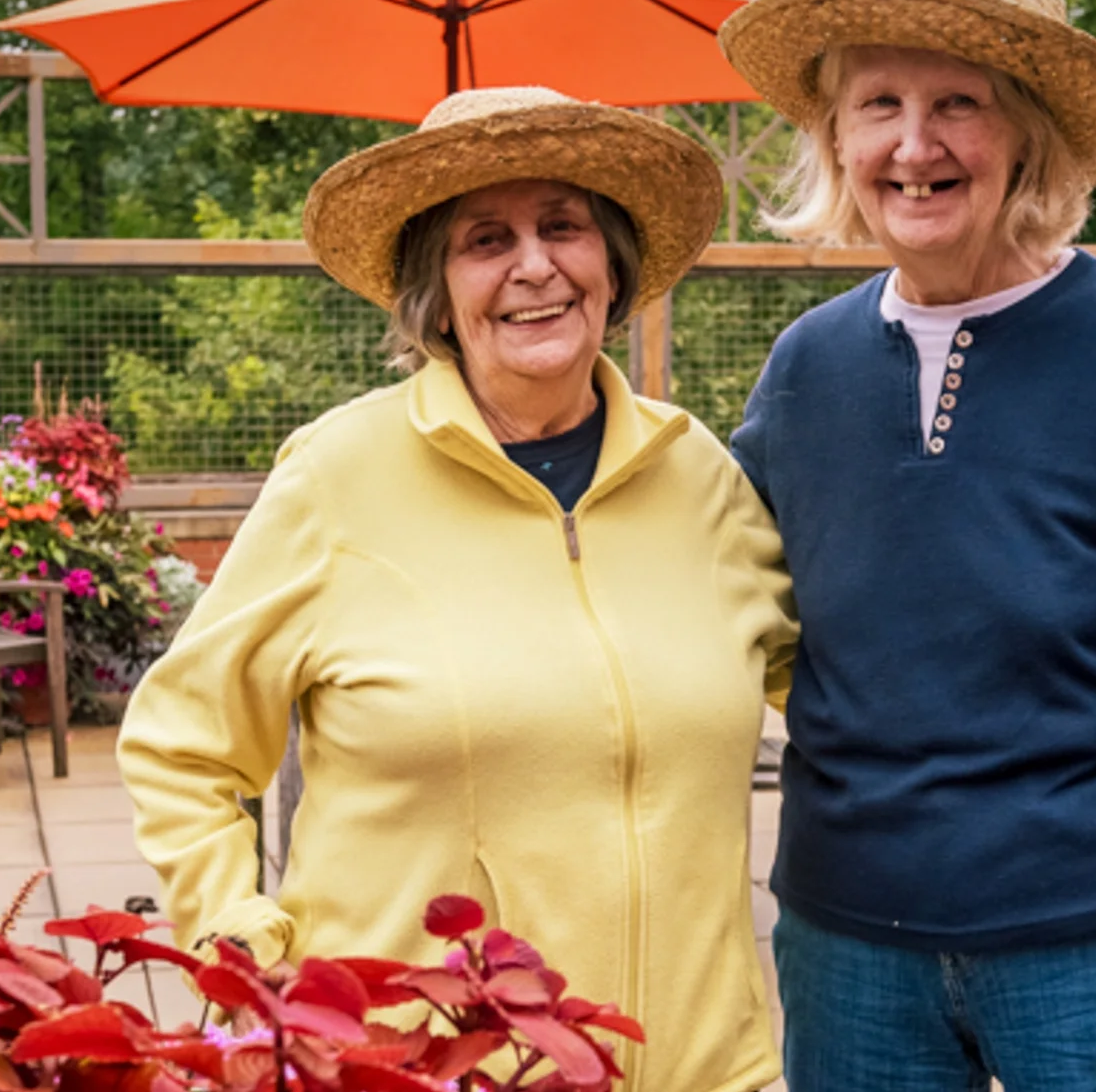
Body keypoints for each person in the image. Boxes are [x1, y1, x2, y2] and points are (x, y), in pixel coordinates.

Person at [118, 87, 796, 1092]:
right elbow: (182, 747)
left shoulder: (700, 477)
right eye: (487, 238)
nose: (534, 264)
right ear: (436, 290)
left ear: (611, 263)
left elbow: (839, 687)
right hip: (428, 1068)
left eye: (563, 226)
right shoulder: (335, 478)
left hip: (705, 1070)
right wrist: (246, 948)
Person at [717, 0, 1096, 1092]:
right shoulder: (806, 366)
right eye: (879, 103)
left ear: (1028, 133)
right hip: (847, 953)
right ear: (837, 138)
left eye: (958, 103)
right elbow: (688, 578)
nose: (914, 145)